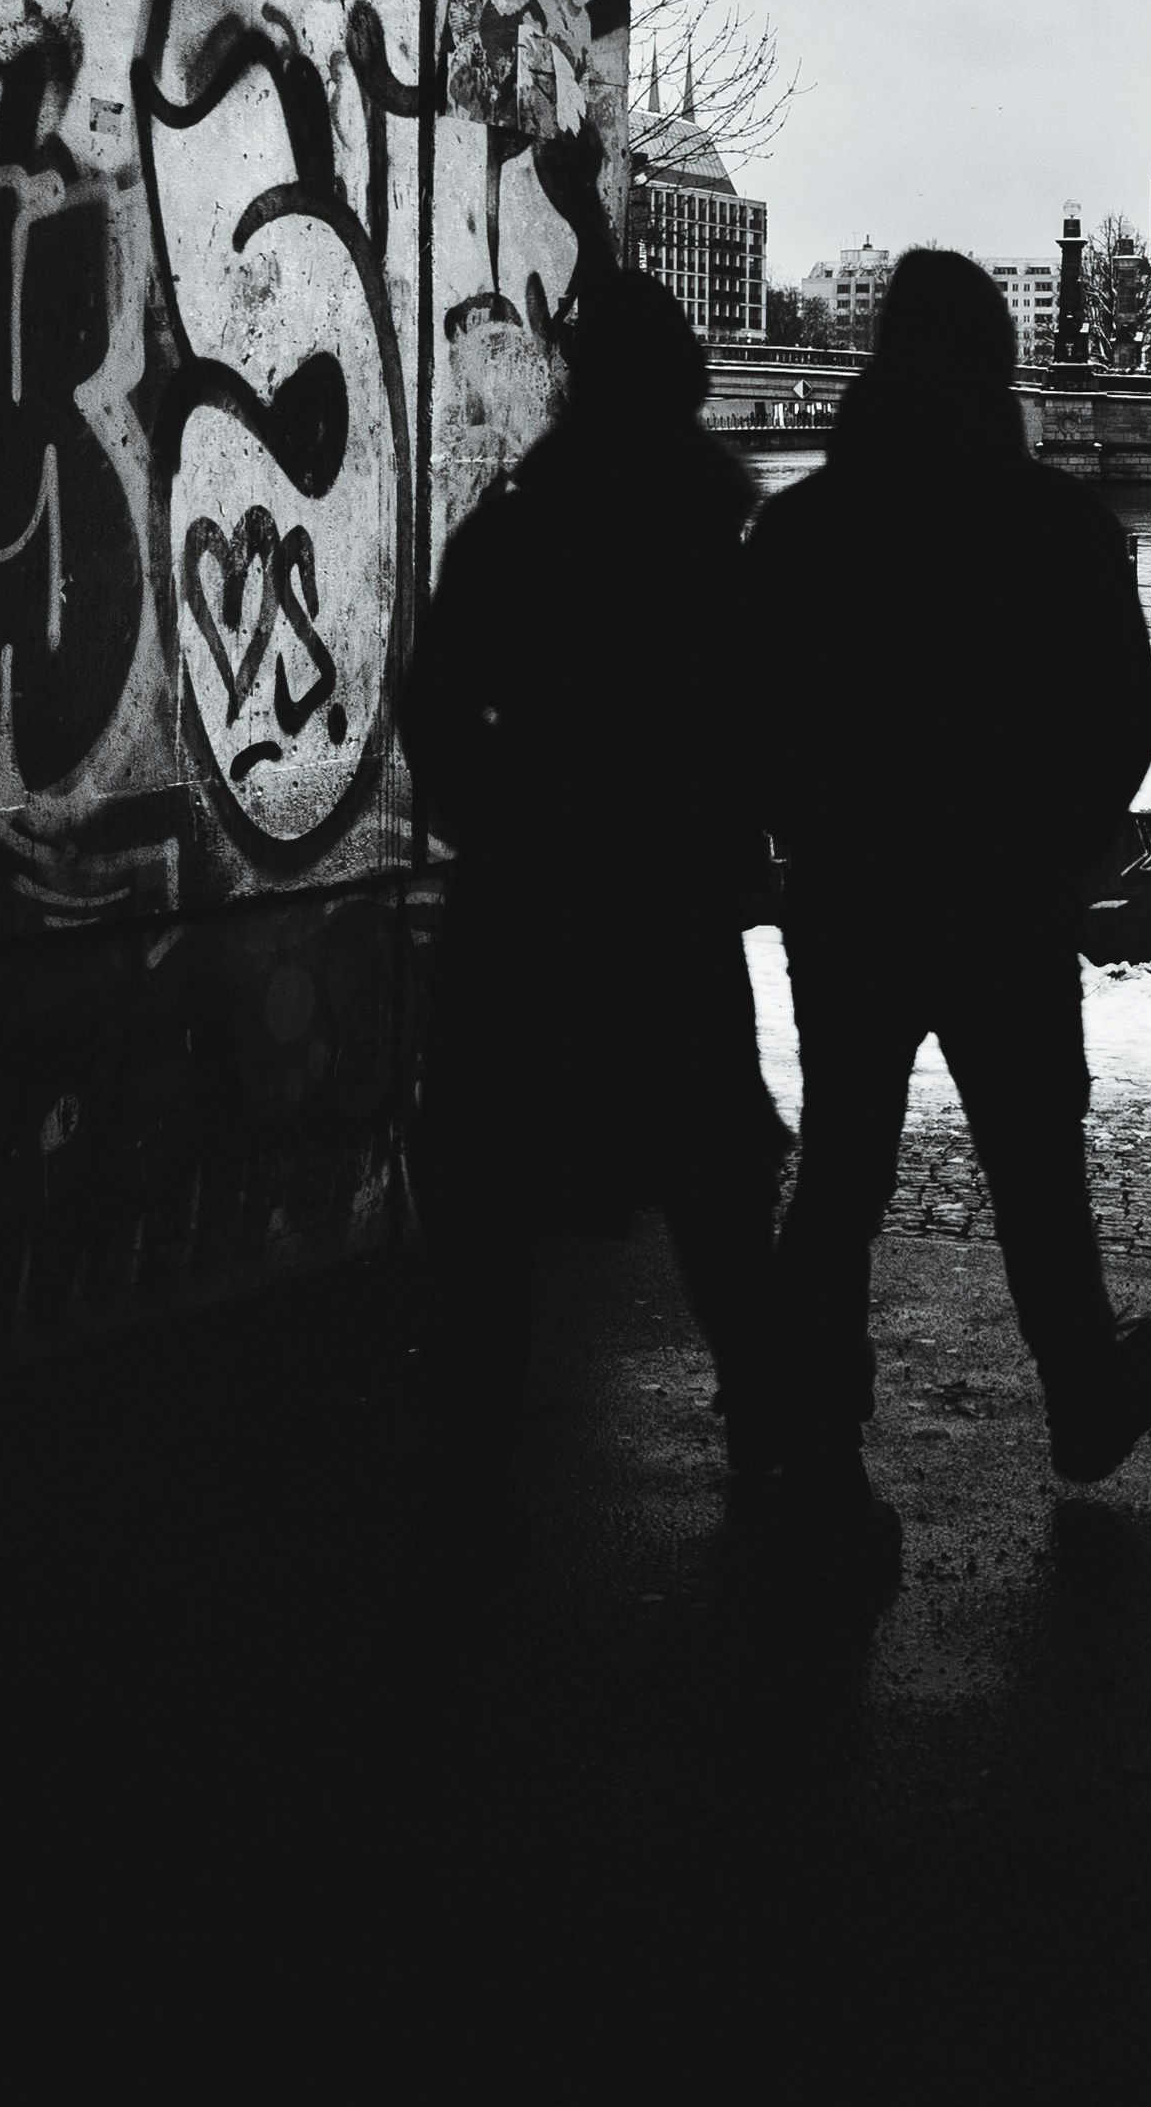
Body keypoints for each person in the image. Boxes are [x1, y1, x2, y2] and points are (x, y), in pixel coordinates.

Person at [747, 249, 1151, 1595]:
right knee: (1035, 1165)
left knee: (841, 1175)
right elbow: (1128, 708)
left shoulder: (804, 529)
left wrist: (813, 830)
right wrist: (1060, 843)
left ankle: (818, 1449)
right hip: (1004, 898)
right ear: (999, 364)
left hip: (853, 897)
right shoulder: (1054, 524)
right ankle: (1083, 1394)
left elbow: (750, 714)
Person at [406, 268, 788, 1516]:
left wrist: (500, 820)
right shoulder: (711, 541)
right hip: (670, 921)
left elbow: (436, 707)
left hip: (525, 915)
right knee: (717, 1195)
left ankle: (466, 1475)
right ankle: (776, 1447)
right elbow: (761, 732)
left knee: (488, 1209)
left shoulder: (518, 528)